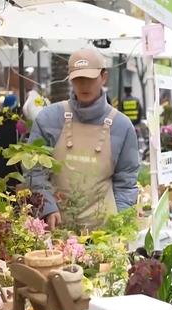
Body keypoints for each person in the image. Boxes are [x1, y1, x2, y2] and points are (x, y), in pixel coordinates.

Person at [28, 47, 139, 230]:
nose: (84, 85)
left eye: (90, 78)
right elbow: (34, 170)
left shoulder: (122, 125)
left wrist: (119, 224)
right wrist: (47, 207)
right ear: (70, 78)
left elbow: (126, 182)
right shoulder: (49, 118)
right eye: (78, 79)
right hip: (57, 228)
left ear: (104, 77)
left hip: (105, 234)